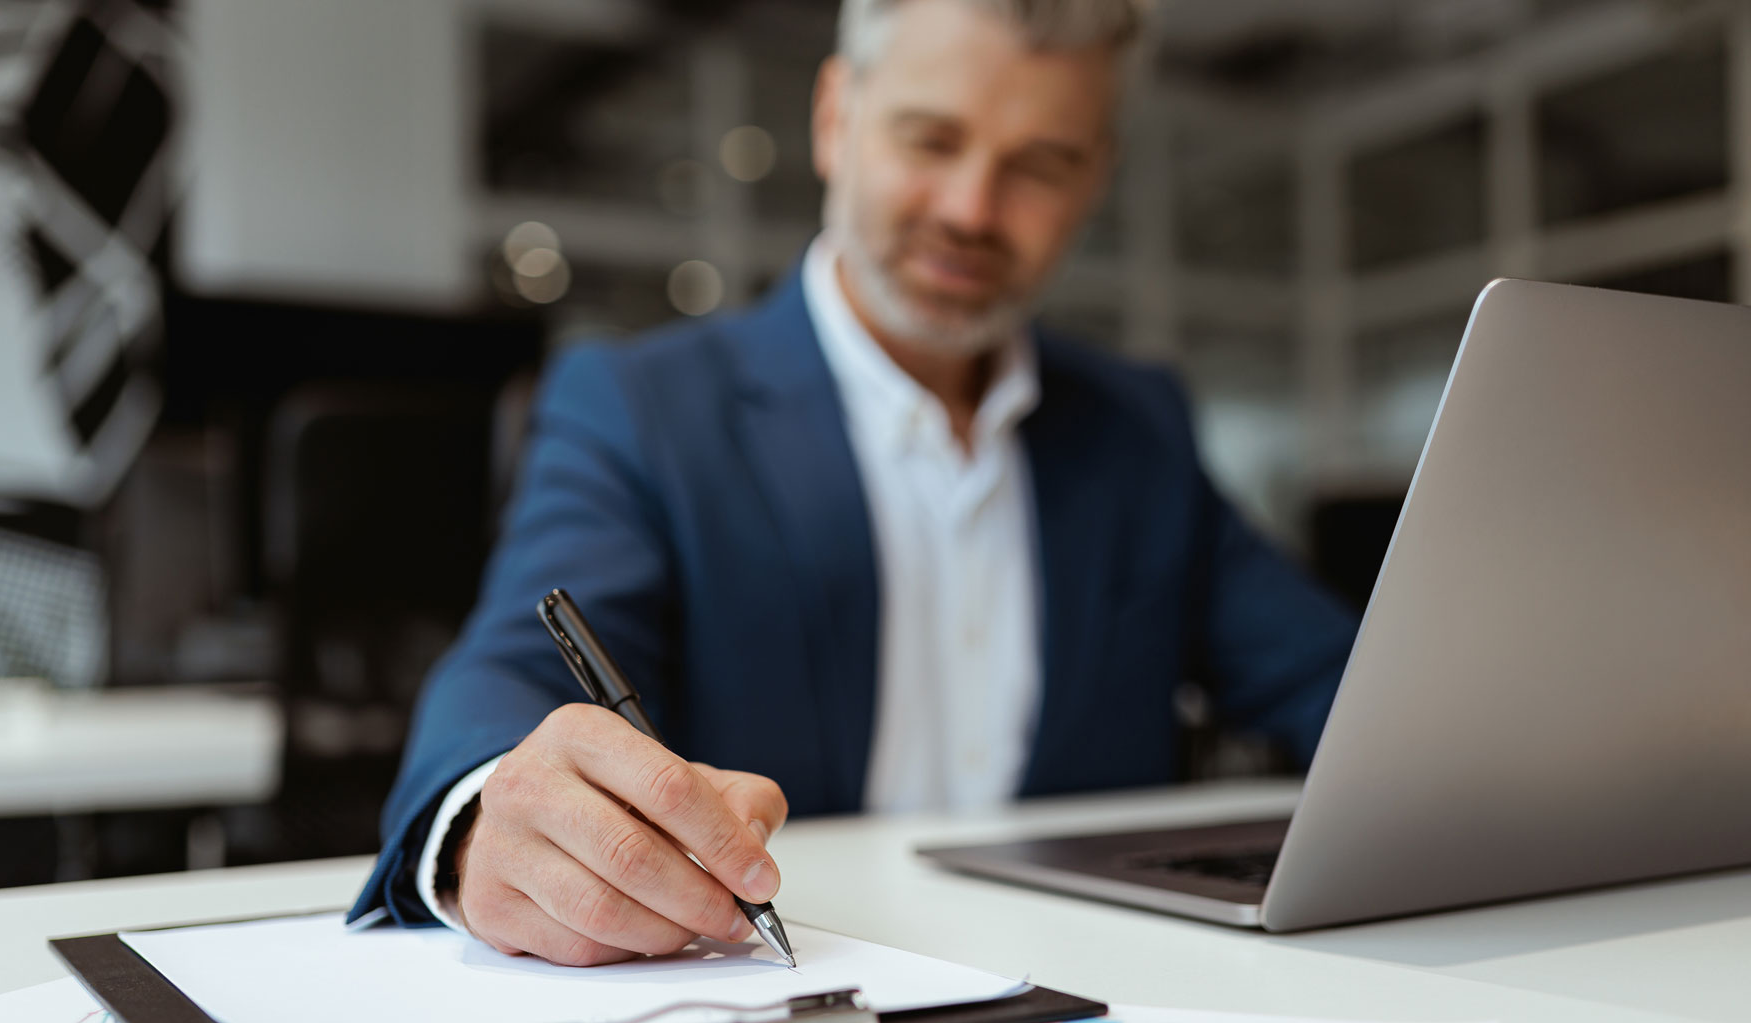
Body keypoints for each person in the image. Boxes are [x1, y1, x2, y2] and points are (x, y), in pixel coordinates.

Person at [349, 0, 1357, 965]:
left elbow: (1339, 686)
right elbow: (509, 678)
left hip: (1100, 996)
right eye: (930, 139)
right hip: (781, 1009)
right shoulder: (639, 406)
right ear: (836, 119)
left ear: (1098, 177)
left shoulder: (1138, 429)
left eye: (1041, 166)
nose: (970, 209)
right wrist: (491, 812)